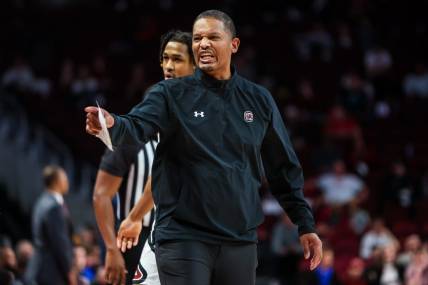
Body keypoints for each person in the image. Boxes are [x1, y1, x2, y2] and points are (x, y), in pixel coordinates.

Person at [86, 10, 322, 285]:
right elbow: (136, 125)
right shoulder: (170, 94)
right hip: (184, 237)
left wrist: (305, 224)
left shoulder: (259, 100)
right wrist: (112, 123)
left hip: (240, 239)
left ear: (234, 45)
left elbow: (283, 169)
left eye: (213, 37)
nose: (203, 44)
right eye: (198, 38)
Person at [92, 30, 195, 285]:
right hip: (135, 236)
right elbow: (102, 193)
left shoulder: (197, 118)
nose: (169, 67)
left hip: (189, 230)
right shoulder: (131, 142)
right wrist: (112, 248)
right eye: (165, 60)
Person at [25, 165, 74, 285]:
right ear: (57, 181)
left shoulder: (40, 202)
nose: (67, 182)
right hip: (52, 272)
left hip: (39, 268)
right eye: (64, 178)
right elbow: (60, 242)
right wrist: (69, 270)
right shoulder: (54, 207)